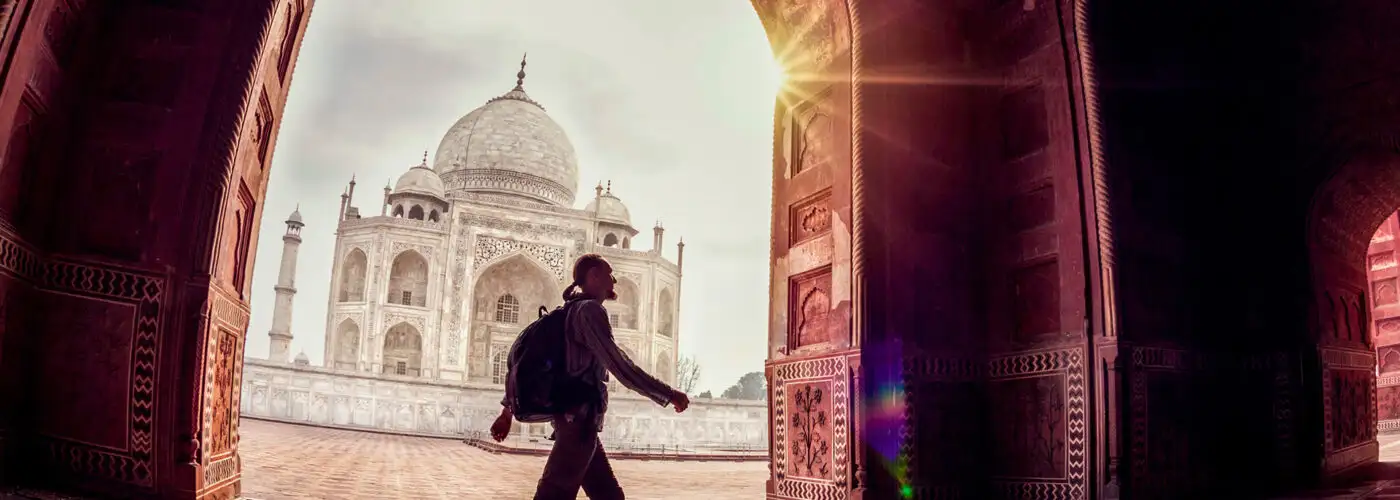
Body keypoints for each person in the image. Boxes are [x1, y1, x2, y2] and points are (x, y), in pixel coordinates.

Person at [490, 253, 690, 500]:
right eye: (609, 274)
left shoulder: (568, 311)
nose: (614, 281)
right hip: (578, 423)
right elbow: (620, 366)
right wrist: (668, 394)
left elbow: (525, 360)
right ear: (594, 276)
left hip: (578, 423)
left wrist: (507, 411)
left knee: (608, 496)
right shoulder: (589, 311)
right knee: (554, 495)